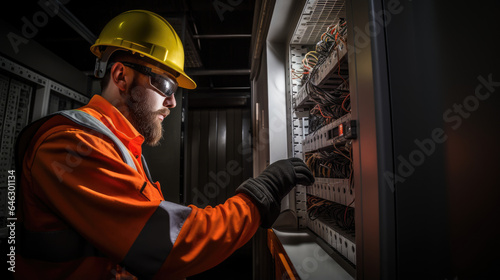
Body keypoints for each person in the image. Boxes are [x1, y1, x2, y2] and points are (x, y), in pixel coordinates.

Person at [15, 10, 314, 280]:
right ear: (121, 76)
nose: (172, 102)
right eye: (166, 85)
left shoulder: (120, 144)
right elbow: (170, 245)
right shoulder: (72, 146)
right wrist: (258, 198)